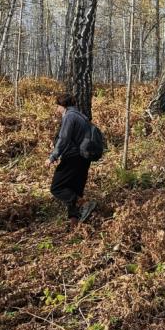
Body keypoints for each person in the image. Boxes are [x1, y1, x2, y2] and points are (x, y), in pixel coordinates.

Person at [46, 94, 96, 229]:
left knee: (57, 187)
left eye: (57, 106)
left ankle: (84, 203)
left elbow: (63, 139)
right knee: (73, 190)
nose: (57, 110)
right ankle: (75, 225)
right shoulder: (82, 116)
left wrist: (52, 157)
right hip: (84, 158)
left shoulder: (70, 116)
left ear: (63, 106)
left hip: (73, 157)